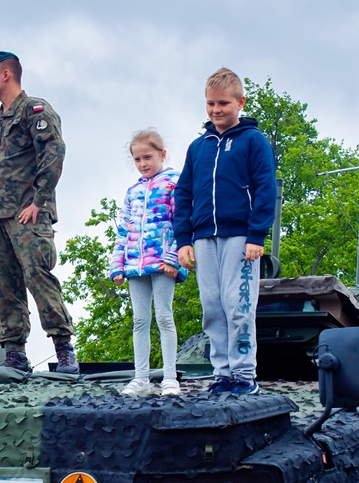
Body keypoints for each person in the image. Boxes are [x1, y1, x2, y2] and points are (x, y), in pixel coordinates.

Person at [0, 51, 77, 375]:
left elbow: (54, 153)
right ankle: (14, 354)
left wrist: (39, 201)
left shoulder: (35, 111)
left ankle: (64, 348)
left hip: (28, 215)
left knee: (38, 277)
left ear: (6, 74)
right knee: (4, 283)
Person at [173, 68, 278, 397]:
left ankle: (245, 375)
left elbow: (265, 189)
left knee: (239, 305)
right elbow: (183, 194)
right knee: (213, 306)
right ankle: (222, 374)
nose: (216, 110)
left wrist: (257, 236)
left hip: (241, 238)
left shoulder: (253, 141)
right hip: (204, 238)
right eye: (210, 104)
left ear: (240, 102)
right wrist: (183, 242)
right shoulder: (198, 147)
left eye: (223, 104)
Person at [111, 128, 187, 398]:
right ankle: (141, 378)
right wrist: (117, 265)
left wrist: (173, 258)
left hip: (163, 263)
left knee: (164, 316)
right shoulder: (132, 192)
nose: (143, 164)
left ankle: (169, 377)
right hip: (135, 265)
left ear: (162, 154)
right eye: (138, 159)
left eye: (148, 157)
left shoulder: (174, 183)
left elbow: (181, 223)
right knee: (139, 320)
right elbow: (123, 230)